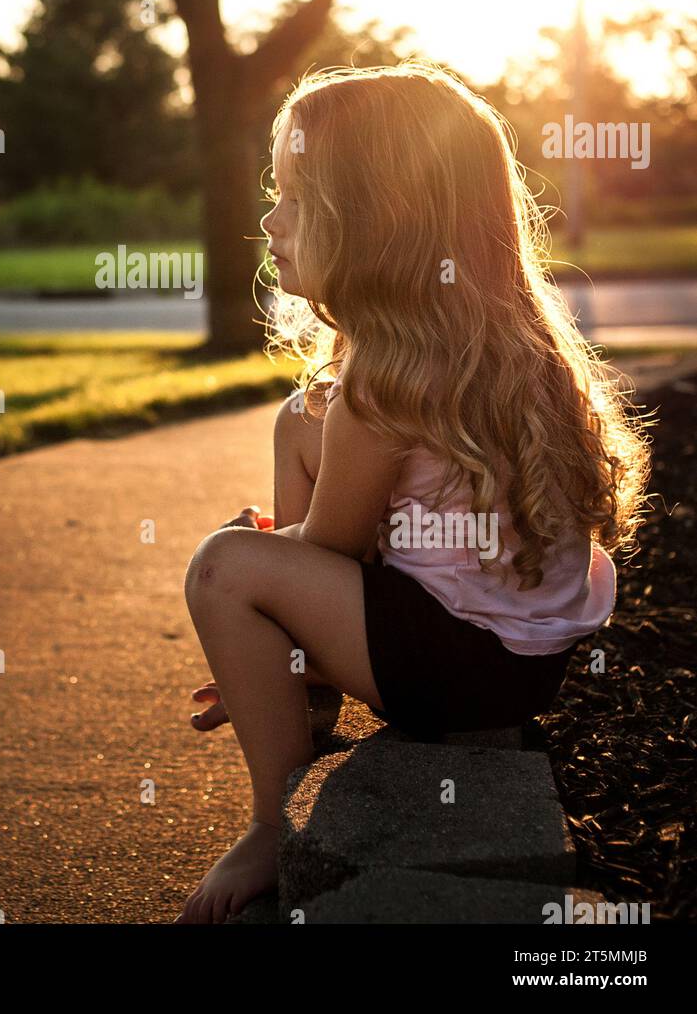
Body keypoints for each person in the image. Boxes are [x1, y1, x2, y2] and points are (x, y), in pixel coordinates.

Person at [175, 61, 651, 924]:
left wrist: (262, 603)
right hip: (515, 669)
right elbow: (340, 553)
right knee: (294, 422)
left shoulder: (381, 387)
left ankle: (267, 822)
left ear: (374, 220)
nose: (269, 220)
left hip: (452, 673)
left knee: (224, 566)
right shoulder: (496, 348)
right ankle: (303, 692)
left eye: (293, 197)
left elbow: (329, 552)